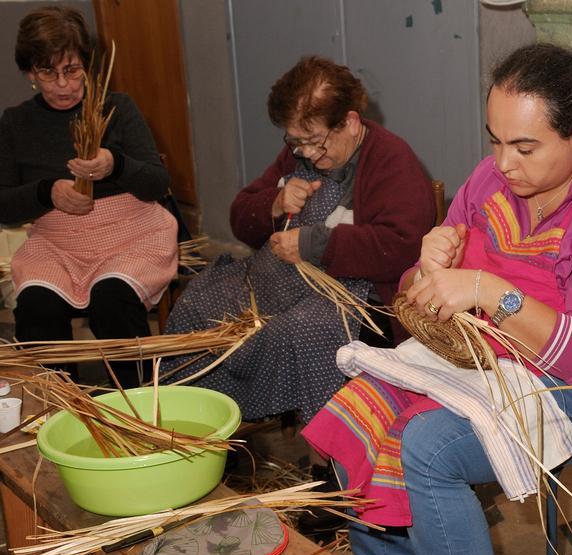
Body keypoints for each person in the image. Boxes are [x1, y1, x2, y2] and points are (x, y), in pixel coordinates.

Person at [300, 43, 572, 555]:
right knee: (357, 410)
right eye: (496, 141)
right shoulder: (491, 181)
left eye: (525, 147)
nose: (504, 164)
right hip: (504, 358)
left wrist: (488, 288)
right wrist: (425, 270)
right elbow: (422, 300)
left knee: (428, 447)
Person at [163, 56, 434, 425]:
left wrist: (313, 244)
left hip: (358, 298)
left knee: (300, 331)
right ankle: (205, 429)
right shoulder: (298, 156)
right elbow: (240, 215)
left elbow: (400, 245)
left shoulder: (391, 161)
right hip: (276, 283)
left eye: (314, 142)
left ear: (350, 123)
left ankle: (328, 453)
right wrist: (273, 203)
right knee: (198, 306)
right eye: (296, 142)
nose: (306, 153)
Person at [0, 6, 176, 389]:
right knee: (37, 309)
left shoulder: (118, 108)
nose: (63, 85)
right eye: (48, 73)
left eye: (72, 70)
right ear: (30, 72)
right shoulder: (15, 123)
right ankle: (61, 407)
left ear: (88, 66)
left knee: (111, 299)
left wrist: (114, 165)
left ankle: (138, 406)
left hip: (130, 235)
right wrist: (48, 192)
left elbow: (157, 183)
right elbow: (3, 207)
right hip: (57, 244)